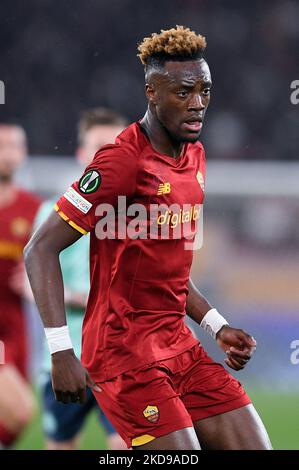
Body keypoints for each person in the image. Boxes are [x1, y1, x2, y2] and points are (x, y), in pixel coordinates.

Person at [24, 26, 272, 450]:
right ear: (152, 93)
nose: (198, 104)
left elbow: (169, 270)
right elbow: (39, 249)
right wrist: (61, 349)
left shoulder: (194, 155)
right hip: (123, 355)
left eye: (206, 92)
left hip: (179, 346)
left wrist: (216, 326)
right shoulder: (121, 162)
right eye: (184, 92)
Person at [34, 108, 127, 450]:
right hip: (64, 354)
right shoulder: (51, 215)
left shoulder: (135, 214)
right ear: (81, 153)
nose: (106, 154)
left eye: (114, 146)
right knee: (60, 446)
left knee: (125, 446)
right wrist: (83, 299)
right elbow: (34, 284)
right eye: (98, 146)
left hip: (118, 358)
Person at [0, 123, 41, 448]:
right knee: (22, 410)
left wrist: (32, 280)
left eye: (15, 146)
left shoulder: (34, 210)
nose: (8, 153)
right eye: (2, 146)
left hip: (15, 327)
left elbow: (47, 262)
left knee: (13, 422)